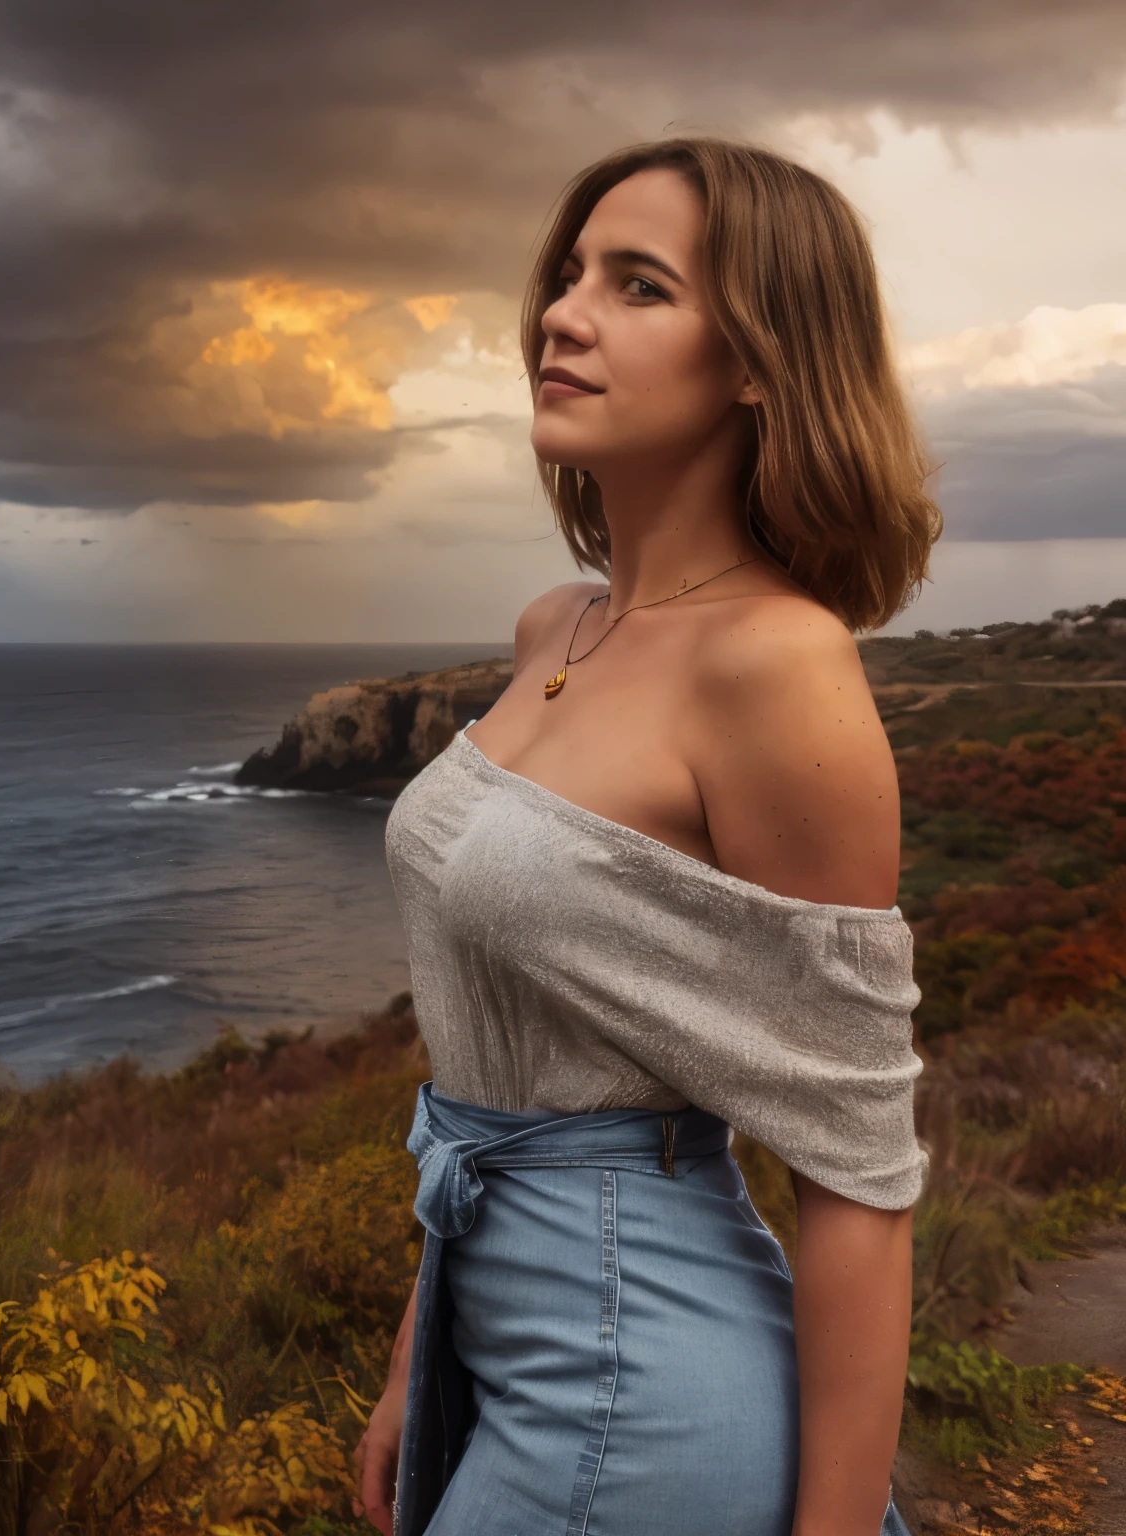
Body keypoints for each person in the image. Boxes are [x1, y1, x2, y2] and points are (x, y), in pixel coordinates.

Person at [352, 135, 941, 1536]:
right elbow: (494, 1071)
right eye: (569, 277)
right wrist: (411, 1369)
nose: (562, 313)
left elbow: (857, 1170)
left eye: (638, 285)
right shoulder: (555, 626)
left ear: (757, 361)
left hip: (646, 1391)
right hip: (497, 1345)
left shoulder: (777, 666)